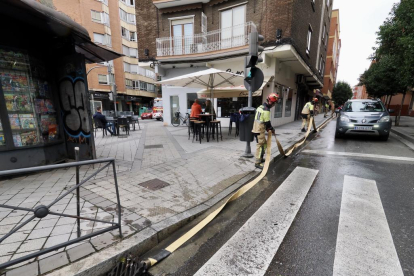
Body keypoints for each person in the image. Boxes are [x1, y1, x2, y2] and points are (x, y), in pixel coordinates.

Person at [252, 93, 279, 170]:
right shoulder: (266, 110)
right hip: (259, 130)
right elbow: (267, 122)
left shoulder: (260, 107)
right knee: (260, 145)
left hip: (257, 128)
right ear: (271, 102)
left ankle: (260, 158)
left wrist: (268, 128)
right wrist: (271, 128)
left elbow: (262, 119)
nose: (273, 105)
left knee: (264, 144)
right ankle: (257, 162)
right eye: (273, 103)